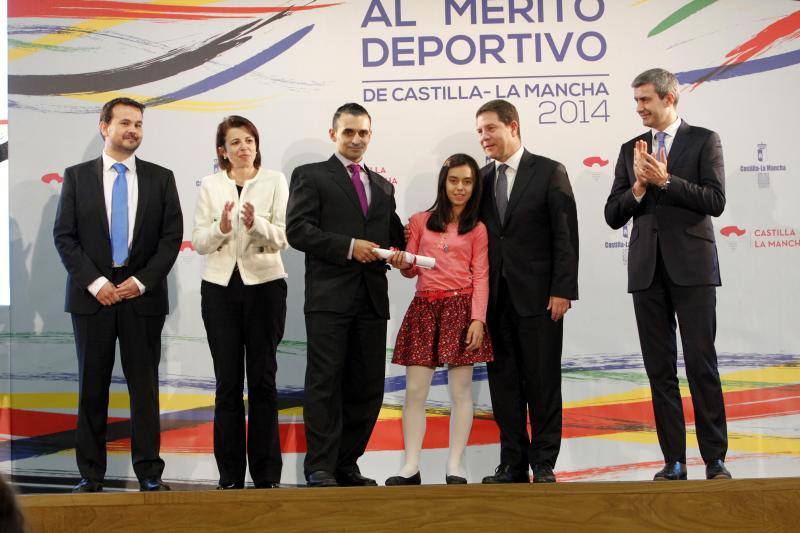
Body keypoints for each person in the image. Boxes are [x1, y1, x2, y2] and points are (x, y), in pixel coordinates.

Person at [604, 68, 730, 481]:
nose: (638, 108)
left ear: (668, 98)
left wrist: (666, 180)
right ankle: (673, 460)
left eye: (645, 100)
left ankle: (715, 459)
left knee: (701, 364)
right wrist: (639, 187)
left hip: (692, 269)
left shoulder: (703, 140)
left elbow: (715, 200)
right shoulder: (630, 149)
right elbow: (612, 214)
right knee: (660, 371)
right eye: (636, 101)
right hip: (646, 272)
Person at [53, 97, 183, 492]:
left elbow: (170, 238)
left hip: (141, 296)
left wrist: (140, 282)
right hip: (92, 297)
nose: (133, 130)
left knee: (144, 389)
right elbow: (65, 237)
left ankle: (149, 473)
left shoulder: (162, 178)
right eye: (125, 122)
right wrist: (96, 283)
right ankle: (91, 475)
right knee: (92, 388)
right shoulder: (77, 177)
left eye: (139, 124)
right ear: (104, 126)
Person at [286, 103, 405, 487]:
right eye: (349, 132)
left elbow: (394, 237)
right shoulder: (311, 175)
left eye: (363, 133)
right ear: (333, 133)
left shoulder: (384, 186)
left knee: (367, 387)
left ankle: (347, 463)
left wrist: (404, 253)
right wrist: (349, 246)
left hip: (372, 300)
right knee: (325, 384)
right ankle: (320, 465)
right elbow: (298, 230)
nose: (356, 139)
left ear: (371, 136)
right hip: (329, 299)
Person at [476, 99, 579, 484]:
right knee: (504, 385)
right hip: (495, 301)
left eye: (490, 128)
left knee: (543, 381)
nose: (484, 137)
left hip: (541, 298)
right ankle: (513, 463)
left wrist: (562, 289)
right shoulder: (481, 180)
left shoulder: (550, 171)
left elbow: (565, 235)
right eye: (480, 131)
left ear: (513, 126)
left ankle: (544, 462)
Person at [192, 116, 288, 490]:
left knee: (263, 381)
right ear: (223, 151)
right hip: (219, 290)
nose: (244, 147)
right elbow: (200, 241)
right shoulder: (211, 186)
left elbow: (283, 236)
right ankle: (230, 476)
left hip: (265, 286)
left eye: (249, 140)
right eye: (235, 142)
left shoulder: (275, 180)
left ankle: (266, 475)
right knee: (227, 383)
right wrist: (223, 227)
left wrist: (255, 225)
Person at [385, 153, 492, 486]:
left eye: (467, 182)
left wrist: (478, 319)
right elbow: (411, 269)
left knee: (461, 393)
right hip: (424, 309)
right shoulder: (420, 221)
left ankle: (455, 465)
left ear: (475, 187)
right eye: (454, 180)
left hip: (461, 310)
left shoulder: (477, 228)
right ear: (443, 182)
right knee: (416, 391)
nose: (460, 188)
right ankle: (411, 466)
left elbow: (481, 277)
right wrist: (403, 262)